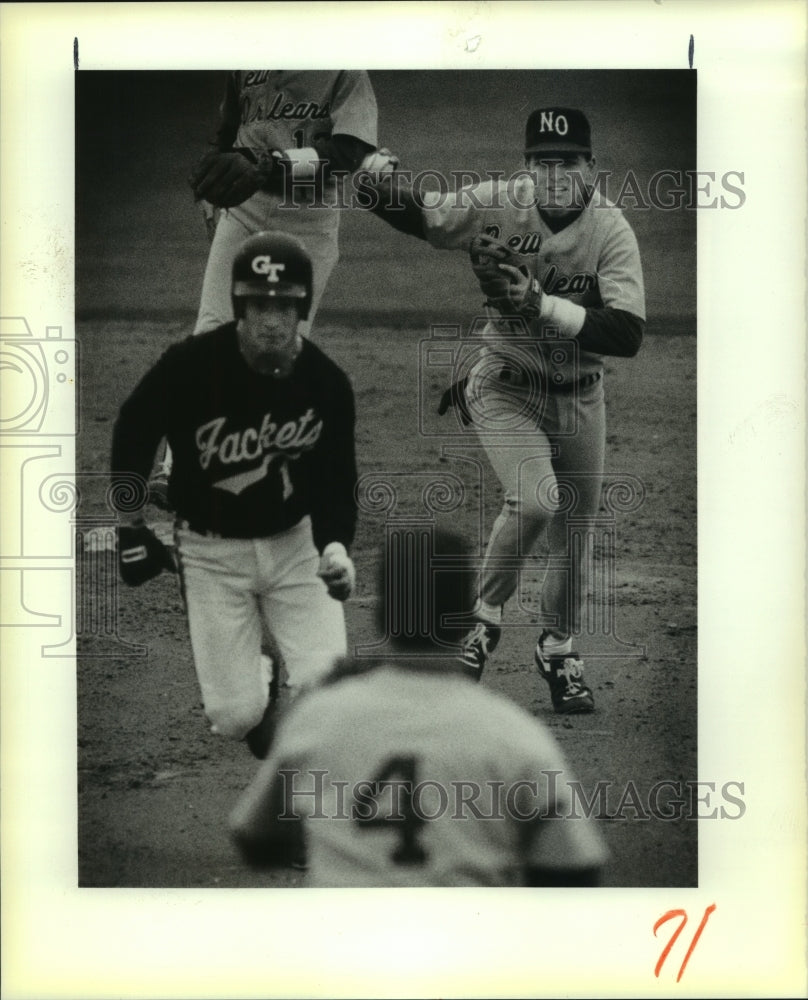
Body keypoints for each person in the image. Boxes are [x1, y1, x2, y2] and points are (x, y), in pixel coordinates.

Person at [367, 106, 646, 714]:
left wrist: (540, 302)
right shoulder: (499, 202)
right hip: (504, 383)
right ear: (526, 167)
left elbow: (626, 332)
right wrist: (364, 177)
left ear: (590, 167)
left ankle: (559, 649)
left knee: (575, 532)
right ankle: (481, 621)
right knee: (538, 499)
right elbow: (424, 216)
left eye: (567, 162)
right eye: (542, 162)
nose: (553, 173)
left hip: (579, 394)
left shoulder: (610, 230)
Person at [228, 528, 609, 887]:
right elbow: (574, 874)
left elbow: (256, 842)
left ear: (380, 616)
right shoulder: (516, 736)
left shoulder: (317, 718)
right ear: (465, 622)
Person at [111, 231, 358, 759]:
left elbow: (337, 479)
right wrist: (129, 523)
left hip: (297, 548)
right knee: (234, 716)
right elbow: (134, 429)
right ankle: (260, 684)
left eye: (284, 305)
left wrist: (336, 546)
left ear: (302, 308)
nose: (271, 317)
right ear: (238, 306)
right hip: (210, 553)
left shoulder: (325, 383)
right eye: (258, 303)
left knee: (328, 695)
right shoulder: (190, 367)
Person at [150, 70, 394, 502]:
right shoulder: (246, 58)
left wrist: (267, 166)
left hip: (311, 218)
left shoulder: (343, 67)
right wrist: (210, 179)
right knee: (213, 330)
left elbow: (348, 150)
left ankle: (268, 470)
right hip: (245, 212)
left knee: (280, 346)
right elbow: (226, 136)